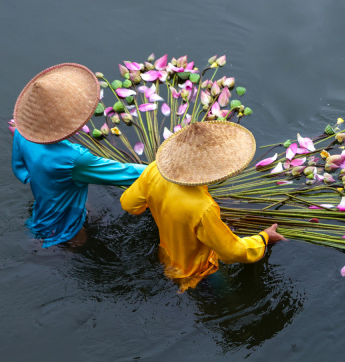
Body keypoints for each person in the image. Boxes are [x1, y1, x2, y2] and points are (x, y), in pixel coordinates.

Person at [120, 121, 285, 291]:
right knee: (227, 300)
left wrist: (159, 203)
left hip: (165, 254)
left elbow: (128, 204)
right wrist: (263, 238)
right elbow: (231, 252)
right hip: (195, 270)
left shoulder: (155, 169)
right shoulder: (203, 207)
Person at [11, 63, 147, 247]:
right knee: (78, 243)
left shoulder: (22, 133)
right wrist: (161, 168)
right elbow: (126, 173)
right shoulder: (75, 159)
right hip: (66, 229)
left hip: (42, 207)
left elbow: (22, 171)